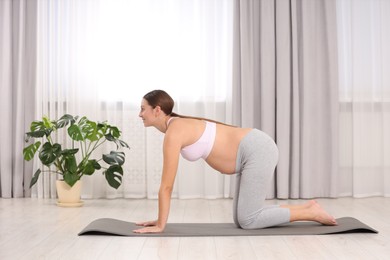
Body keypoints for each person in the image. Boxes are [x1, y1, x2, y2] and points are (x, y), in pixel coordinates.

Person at [133, 90, 337, 233]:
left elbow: (166, 187)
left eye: (143, 109)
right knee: (242, 220)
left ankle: (309, 212)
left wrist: (161, 225)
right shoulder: (176, 127)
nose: (140, 114)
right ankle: (308, 209)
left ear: (157, 110)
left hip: (257, 150)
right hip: (250, 153)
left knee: (248, 220)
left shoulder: (174, 132)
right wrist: (160, 220)